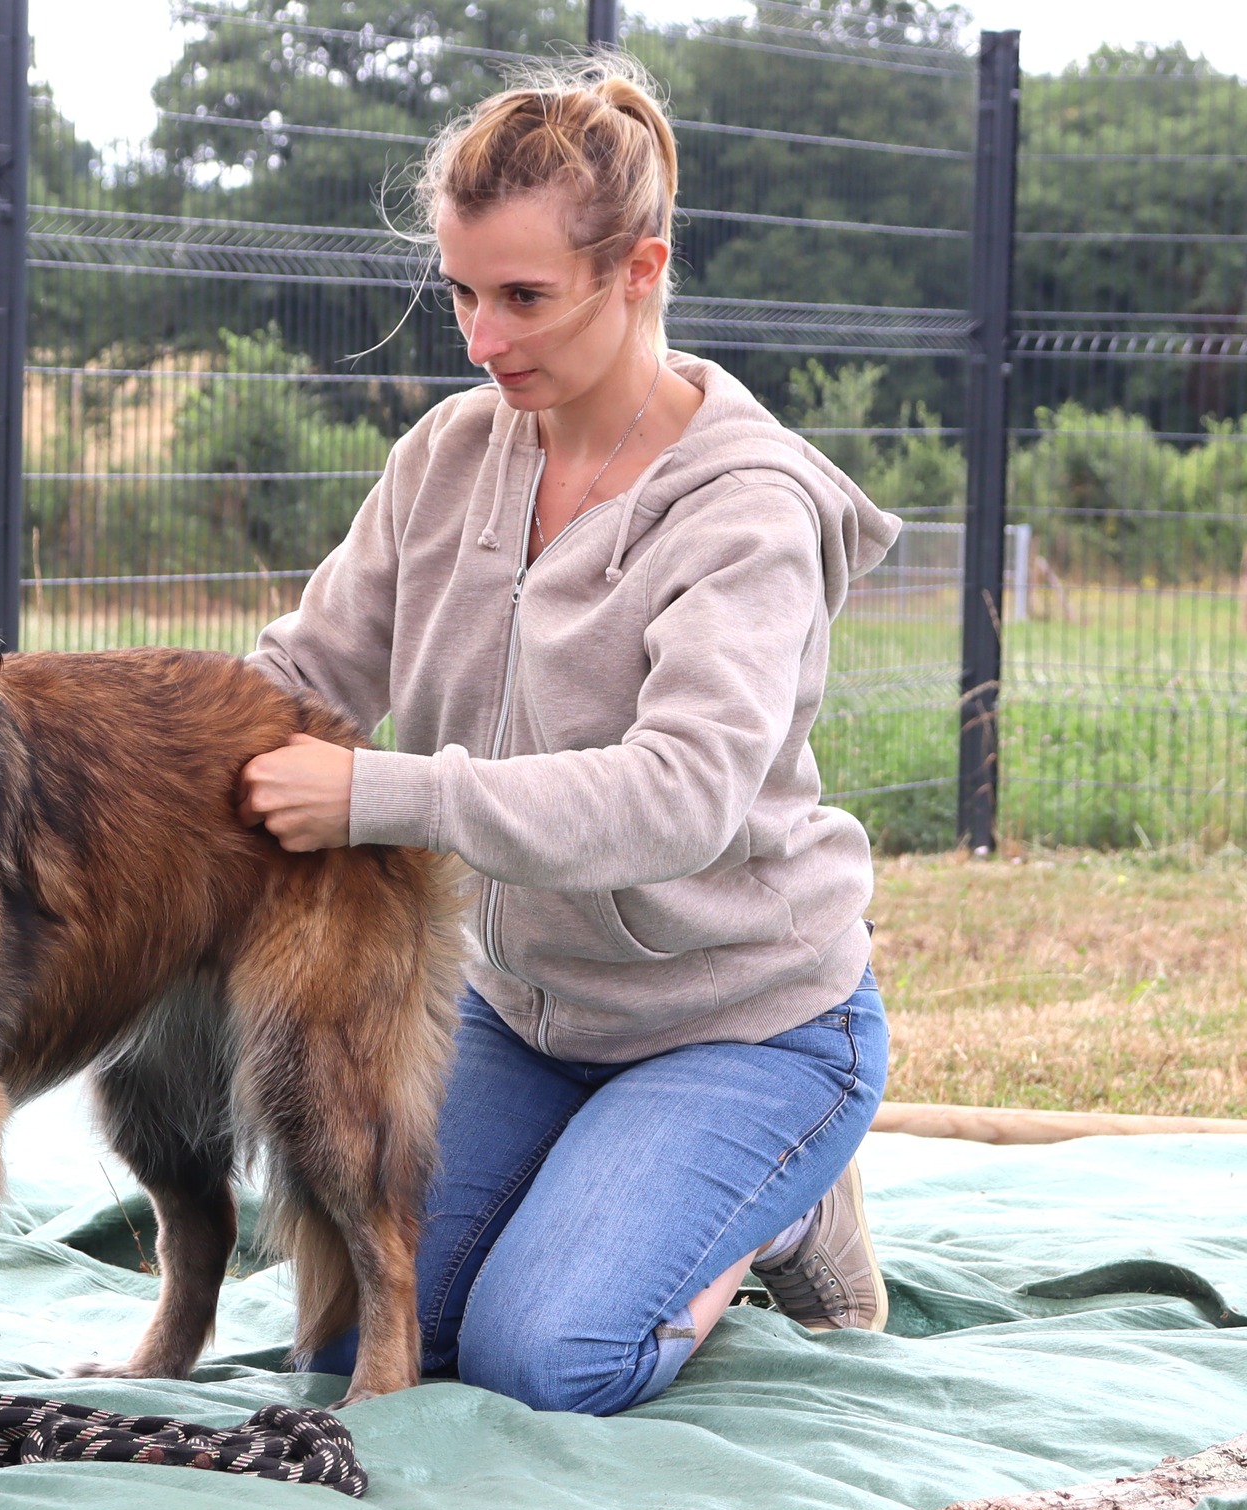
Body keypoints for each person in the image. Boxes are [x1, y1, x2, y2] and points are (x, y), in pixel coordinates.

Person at [237, 56, 899, 1416]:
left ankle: (780, 1212)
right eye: (464, 293)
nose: (482, 337)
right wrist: (110, 737)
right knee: (352, 1334)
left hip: (746, 1022)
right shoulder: (446, 457)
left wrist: (384, 794)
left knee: (552, 1357)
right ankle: (617, 1175)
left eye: (524, 296)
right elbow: (302, 672)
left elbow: (682, 795)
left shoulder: (743, 509)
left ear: (638, 270)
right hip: (525, 1013)